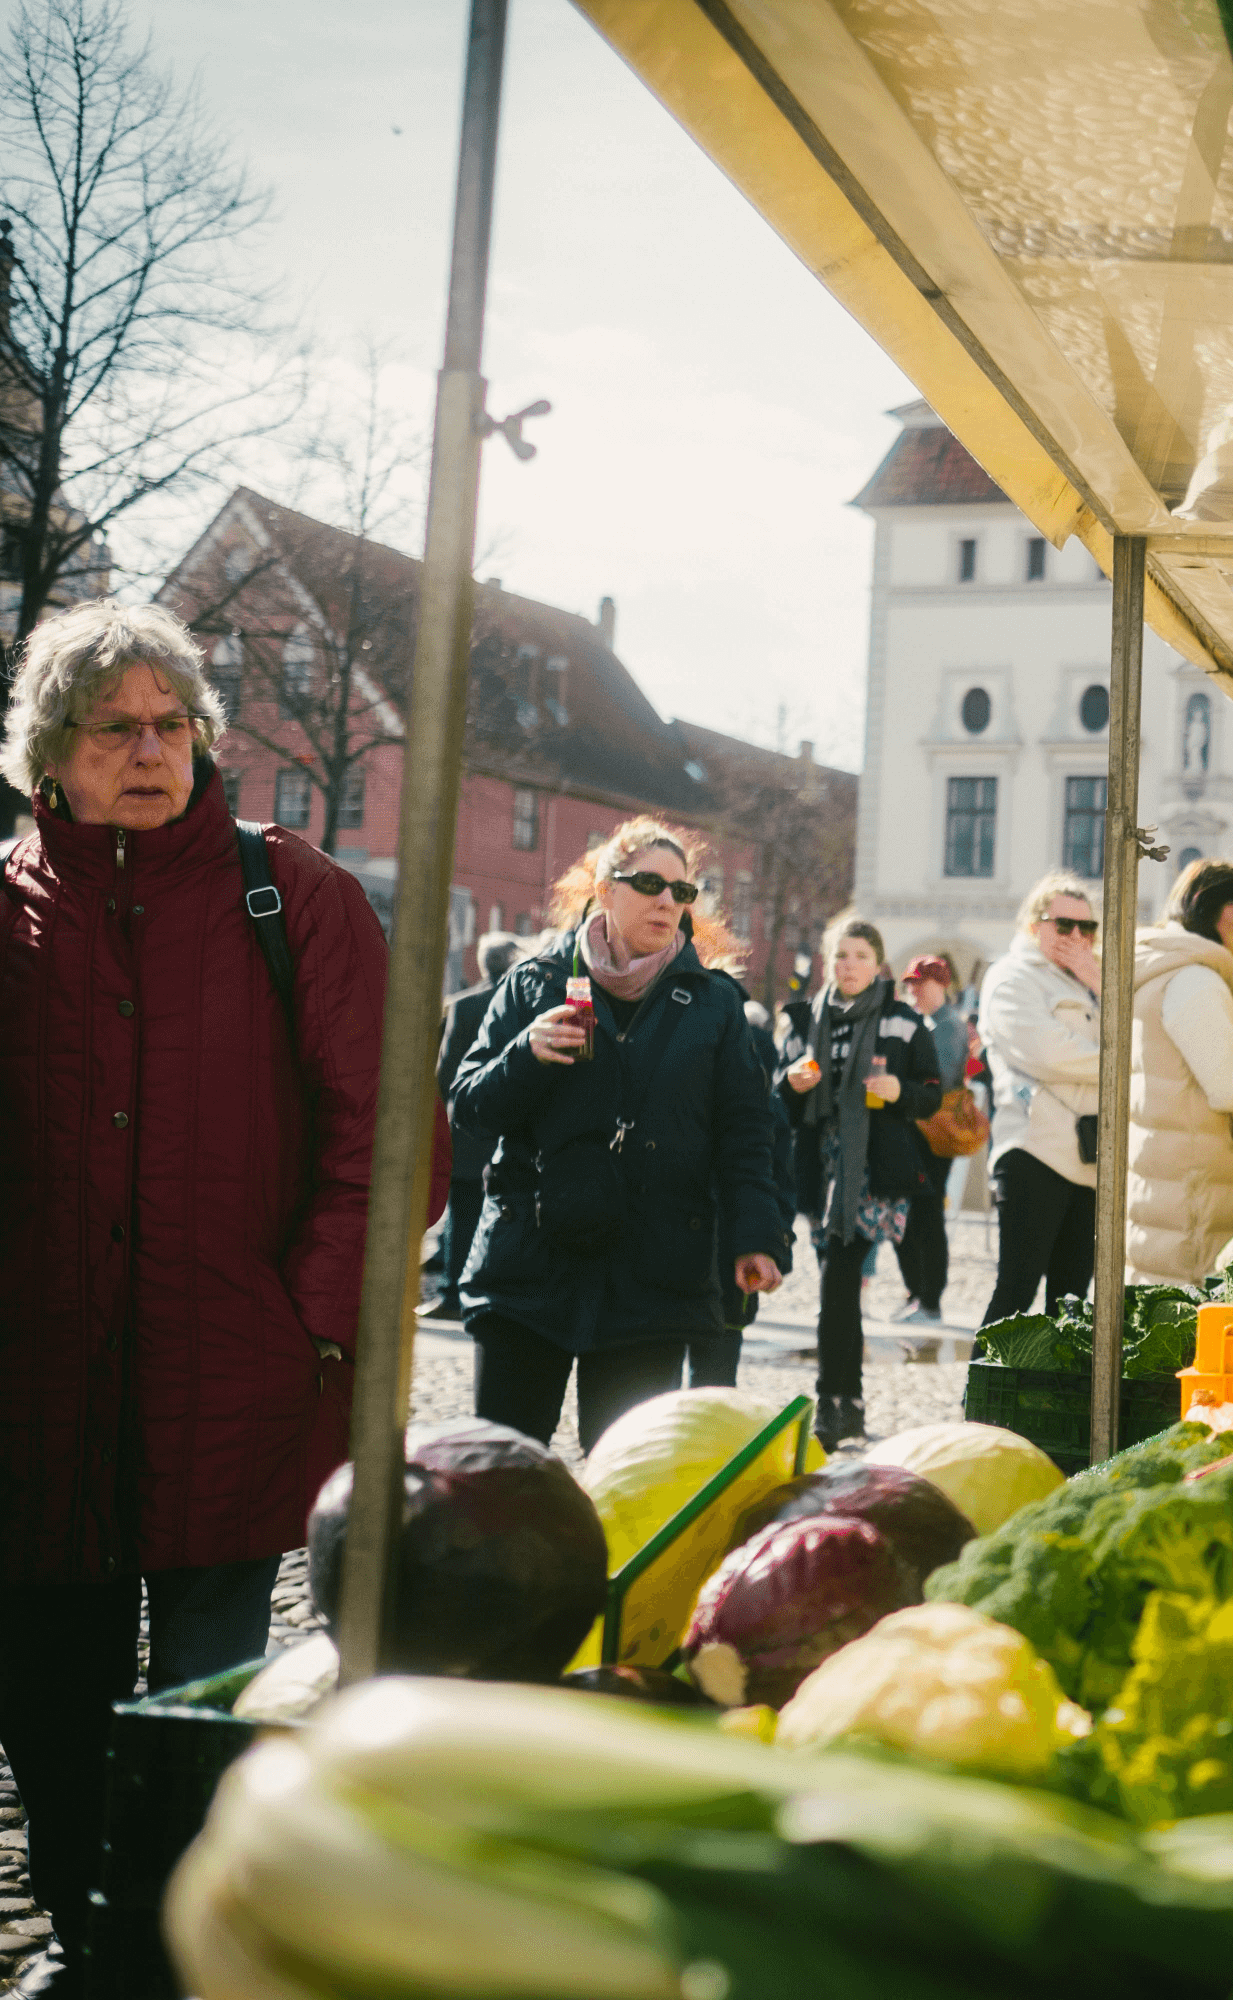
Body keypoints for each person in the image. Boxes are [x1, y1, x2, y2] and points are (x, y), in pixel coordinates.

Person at [0, 601, 402, 1950]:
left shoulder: (295, 897)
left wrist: (308, 1322)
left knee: (212, 1700)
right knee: (47, 1701)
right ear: (49, 754)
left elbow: (388, 1133)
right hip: (36, 1394)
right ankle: (79, 1932)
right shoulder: (10, 912)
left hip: (229, 1384)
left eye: (172, 725)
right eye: (114, 728)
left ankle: (193, 1948)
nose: (150, 751)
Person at [454, 819, 786, 1449]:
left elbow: (746, 1134)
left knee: (625, 1481)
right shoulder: (534, 984)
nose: (667, 901)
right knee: (501, 1478)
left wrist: (755, 1238)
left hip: (652, 1279)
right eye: (650, 884)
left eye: (682, 891)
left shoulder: (714, 1003)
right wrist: (525, 1053)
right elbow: (469, 1107)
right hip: (531, 1268)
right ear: (605, 889)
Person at [782, 914, 943, 1444]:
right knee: (840, 1285)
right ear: (829, 962)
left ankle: (834, 1401)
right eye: (841, 956)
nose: (849, 966)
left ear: (878, 965)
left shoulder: (902, 1020)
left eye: (860, 957)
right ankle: (846, 1404)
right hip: (820, 1166)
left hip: (874, 1170)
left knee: (840, 1282)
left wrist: (900, 1090)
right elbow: (781, 1097)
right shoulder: (804, 1020)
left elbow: (931, 1094)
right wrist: (793, 1083)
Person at [1128, 858, 1233, 1284]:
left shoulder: (1186, 972)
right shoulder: (1196, 980)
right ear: (1203, 905)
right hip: (1198, 1196)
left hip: (1188, 1185)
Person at [980, 872, 1103, 1323]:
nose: (1076, 937)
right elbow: (1047, 1052)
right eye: (1063, 924)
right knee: (1016, 1288)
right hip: (1034, 1151)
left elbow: (1140, 1042)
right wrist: (1118, 1063)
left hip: (1090, 1162)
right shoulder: (1011, 976)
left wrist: (1101, 982)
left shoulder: (1090, 981)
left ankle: (1053, 1396)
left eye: (1086, 928)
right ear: (1034, 926)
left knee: (1071, 1301)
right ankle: (980, 1394)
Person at [433, 932, 524, 1312]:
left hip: (467, 1133)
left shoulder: (465, 1006)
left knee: (463, 1215)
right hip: (508, 1131)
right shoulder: (523, 1005)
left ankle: (454, 1292)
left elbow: (447, 1072)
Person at [889, 952, 967, 1326]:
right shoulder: (925, 1022)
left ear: (941, 984)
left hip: (933, 1133)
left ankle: (929, 1299)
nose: (913, 989)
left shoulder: (947, 1026)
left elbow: (941, 1079)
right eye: (910, 983)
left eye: (920, 982)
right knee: (912, 1214)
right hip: (918, 1131)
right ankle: (919, 1293)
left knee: (926, 1212)